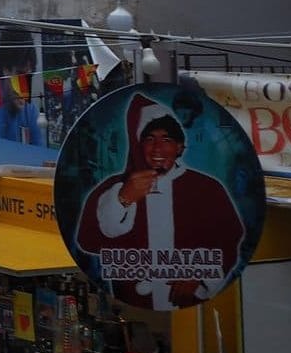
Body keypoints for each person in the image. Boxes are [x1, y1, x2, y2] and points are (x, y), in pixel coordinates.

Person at [75, 96, 247, 311]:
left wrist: (203, 277)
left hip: (193, 313)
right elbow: (87, 240)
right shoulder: (116, 186)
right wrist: (123, 198)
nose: (157, 149)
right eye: (149, 139)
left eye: (166, 140)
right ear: (139, 146)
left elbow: (230, 240)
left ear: (179, 147)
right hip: (132, 309)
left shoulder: (207, 188)